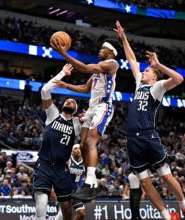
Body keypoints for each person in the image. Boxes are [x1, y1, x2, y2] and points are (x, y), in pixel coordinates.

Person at [114, 21, 185, 220]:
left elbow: (178, 79)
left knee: (166, 176)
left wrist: (158, 65)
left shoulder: (156, 88)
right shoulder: (138, 84)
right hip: (133, 140)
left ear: (154, 77)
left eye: (147, 71)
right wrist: (123, 38)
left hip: (148, 137)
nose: (143, 71)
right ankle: (167, 217)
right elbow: (131, 59)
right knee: (145, 182)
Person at [52, 39, 119, 201]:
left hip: (103, 107)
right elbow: (85, 88)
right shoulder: (98, 71)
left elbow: (84, 68)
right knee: (82, 145)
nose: (99, 50)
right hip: (91, 110)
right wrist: (65, 85)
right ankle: (92, 182)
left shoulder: (112, 64)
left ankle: (90, 182)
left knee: (91, 141)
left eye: (103, 48)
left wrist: (63, 54)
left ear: (110, 52)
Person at [33, 64, 81, 220]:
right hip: (44, 164)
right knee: (42, 200)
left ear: (75, 110)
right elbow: (45, 90)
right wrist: (62, 73)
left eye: (72, 101)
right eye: (66, 100)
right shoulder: (53, 114)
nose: (68, 101)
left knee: (66, 209)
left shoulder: (77, 123)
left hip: (61, 169)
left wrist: (88, 117)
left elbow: (92, 130)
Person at [55, 144, 86, 220]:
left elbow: (82, 178)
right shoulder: (68, 160)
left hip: (75, 192)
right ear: (72, 151)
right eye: (75, 148)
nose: (78, 150)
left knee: (81, 213)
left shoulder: (84, 163)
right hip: (64, 191)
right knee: (62, 215)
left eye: (79, 148)